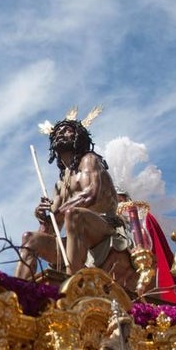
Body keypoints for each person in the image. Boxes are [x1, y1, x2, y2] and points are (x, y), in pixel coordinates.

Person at [15, 118, 137, 287]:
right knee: (30, 239)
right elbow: (51, 230)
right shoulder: (60, 185)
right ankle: (17, 290)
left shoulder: (89, 160)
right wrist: (44, 218)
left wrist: (55, 212)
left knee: (75, 215)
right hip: (78, 240)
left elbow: (90, 196)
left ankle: (72, 286)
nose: (61, 134)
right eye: (58, 132)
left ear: (79, 136)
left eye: (67, 130)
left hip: (103, 230)